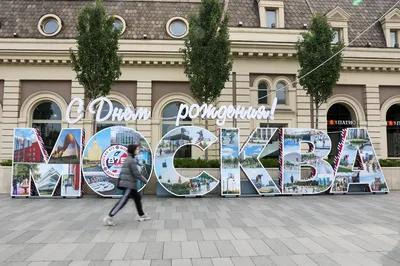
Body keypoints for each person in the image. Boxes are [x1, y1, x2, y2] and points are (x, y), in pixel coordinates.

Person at [103, 144, 151, 226]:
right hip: (129, 185)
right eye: (137, 149)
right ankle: (109, 217)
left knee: (137, 199)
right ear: (133, 150)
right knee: (122, 201)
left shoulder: (129, 159)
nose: (138, 150)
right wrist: (145, 180)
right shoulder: (131, 160)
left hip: (130, 184)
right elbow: (137, 174)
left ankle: (142, 215)